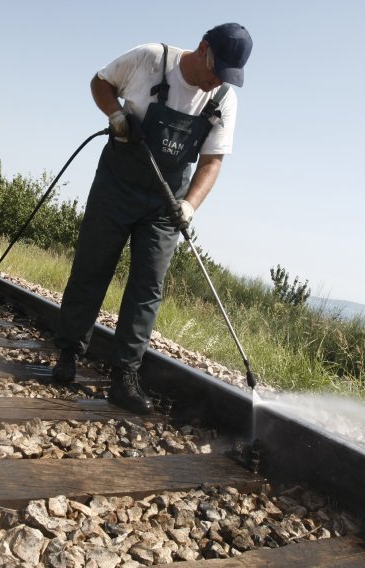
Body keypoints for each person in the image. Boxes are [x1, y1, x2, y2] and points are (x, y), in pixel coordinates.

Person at [51, 23, 253, 414]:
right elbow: (101, 82)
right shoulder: (150, 59)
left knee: (147, 288)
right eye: (216, 71)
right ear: (203, 48)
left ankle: (124, 376)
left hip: (165, 205)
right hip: (116, 187)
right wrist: (115, 115)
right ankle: (68, 355)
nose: (216, 82)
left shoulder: (224, 99)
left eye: (226, 76)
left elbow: (212, 161)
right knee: (92, 268)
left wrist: (190, 205)